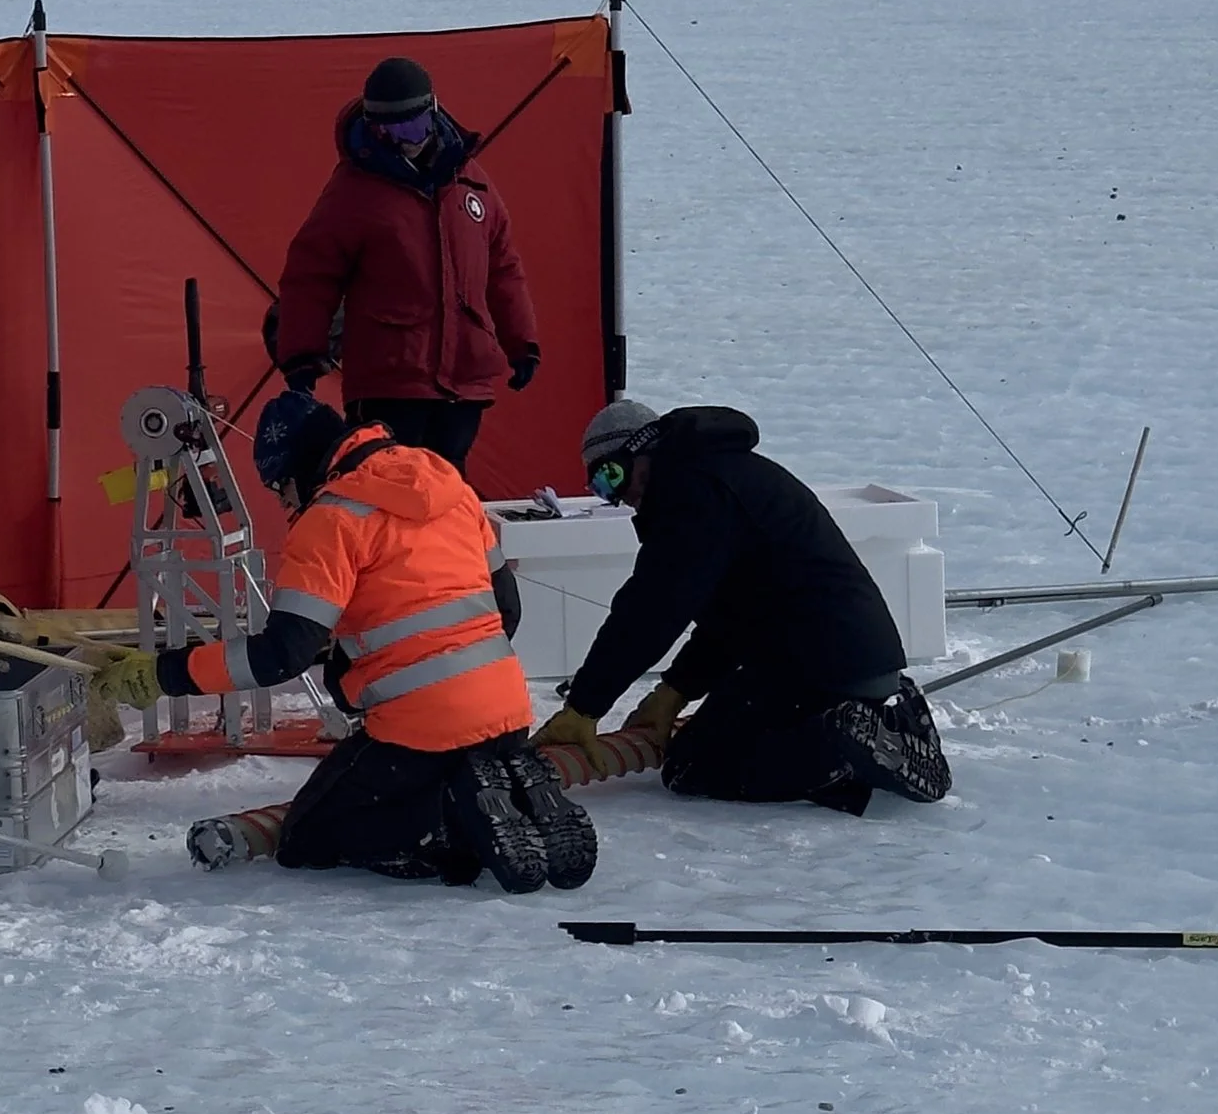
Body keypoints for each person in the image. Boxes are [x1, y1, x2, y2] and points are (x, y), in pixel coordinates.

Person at [143, 390, 594, 893]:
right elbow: (506, 608)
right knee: (426, 763)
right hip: (507, 710)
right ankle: (509, 785)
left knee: (307, 839)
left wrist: (170, 672)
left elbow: (280, 655)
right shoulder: (449, 485)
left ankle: (449, 820)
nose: (285, 503)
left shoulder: (330, 520)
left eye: (279, 489)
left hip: (420, 731)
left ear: (297, 471)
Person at [534, 397, 951, 814]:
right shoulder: (721, 472)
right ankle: (885, 726)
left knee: (695, 766)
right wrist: (673, 692)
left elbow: (653, 607)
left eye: (612, 475)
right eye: (602, 488)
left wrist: (584, 707)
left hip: (817, 667)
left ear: (641, 448)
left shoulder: (690, 490)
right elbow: (730, 619)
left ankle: (841, 752)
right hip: (851, 663)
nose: (619, 497)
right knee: (710, 740)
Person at [270, 54, 540, 476]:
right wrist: (302, 354)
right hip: (389, 379)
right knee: (388, 489)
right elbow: (311, 276)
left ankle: (452, 545)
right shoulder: (353, 192)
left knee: (449, 495)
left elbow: (503, 268)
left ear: (433, 114)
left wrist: (521, 343)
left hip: (463, 381)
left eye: (413, 126)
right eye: (390, 130)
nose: (404, 140)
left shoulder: (471, 181)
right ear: (374, 126)